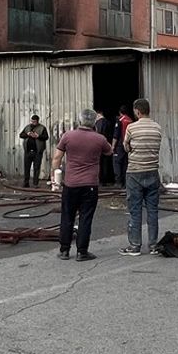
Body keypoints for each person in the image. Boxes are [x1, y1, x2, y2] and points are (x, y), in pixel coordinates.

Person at [51, 109, 112, 261]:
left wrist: (54, 176)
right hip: (90, 185)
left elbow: (57, 157)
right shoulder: (100, 139)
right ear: (94, 122)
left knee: (67, 216)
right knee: (85, 218)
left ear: (79, 120)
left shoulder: (68, 136)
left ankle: (64, 250)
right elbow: (109, 152)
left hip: (70, 184)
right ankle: (82, 252)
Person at [119, 98, 163, 256]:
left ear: (137, 111)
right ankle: (153, 246)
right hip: (152, 171)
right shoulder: (157, 127)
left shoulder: (131, 127)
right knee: (152, 210)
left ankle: (135, 246)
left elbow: (126, 147)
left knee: (135, 210)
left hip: (135, 173)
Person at [19, 114, 49, 187]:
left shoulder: (42, 128)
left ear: (37, 121)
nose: (33, 123)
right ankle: (26, 183)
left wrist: (38, 136)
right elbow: (21, 135)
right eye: (32, 121)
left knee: (36, 168)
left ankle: (35, 184)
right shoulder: (27, 127)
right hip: (28, 151)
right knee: (27, 167)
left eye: (34, 121)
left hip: (37, 151)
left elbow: (46, 137)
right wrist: (27, 134)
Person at [93, 108, 116, 185]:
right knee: (106, 163)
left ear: (98, 114)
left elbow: (98, 134)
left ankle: (100, 180)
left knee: (100, 163)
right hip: (107, 144)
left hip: (99, 146)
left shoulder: (98, 123)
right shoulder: (108, 122)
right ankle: (105, 180)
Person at [112, 104, 133, 184]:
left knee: (117, 163)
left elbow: (116, 135)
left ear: (120, 112)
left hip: (120, 145)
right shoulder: (130, 120)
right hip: (128, 144)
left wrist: (113, 146)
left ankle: (118, 182)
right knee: (125, 163)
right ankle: (125, 182)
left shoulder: (120, 120)